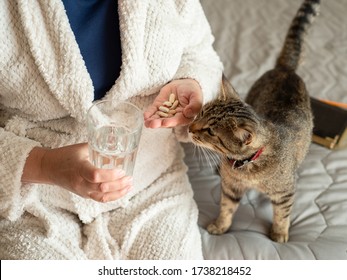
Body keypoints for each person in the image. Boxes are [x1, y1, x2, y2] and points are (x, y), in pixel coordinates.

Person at [0, 0, 223, 259]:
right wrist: (43, 165)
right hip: (34, 199)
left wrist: (193, 84)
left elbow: (200, 53)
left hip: (150, 184)